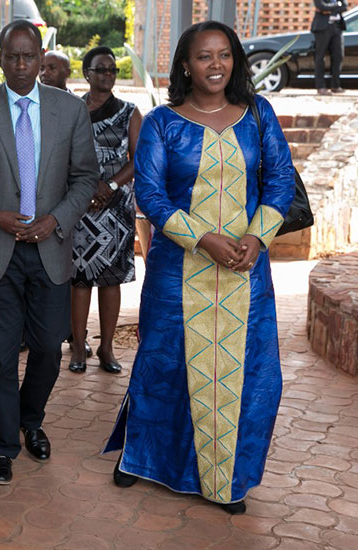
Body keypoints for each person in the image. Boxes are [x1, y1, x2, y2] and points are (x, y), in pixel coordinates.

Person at [103, 21, 296, 515]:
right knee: (163, 363)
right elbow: (149, 192)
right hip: (177, 269)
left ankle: (225, 476)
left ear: (235, 61)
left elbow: (278, 181)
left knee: (245, 374)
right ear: (185, 65)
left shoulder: (257, 114)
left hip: (246, 269)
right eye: (205, 56)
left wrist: (255, 237)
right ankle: (143, 459)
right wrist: (203, 239)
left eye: (225, 55)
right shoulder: (164, 122)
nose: (216, 65)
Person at [0, 20, 98, 485]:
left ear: (41, 56)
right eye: (11, 56)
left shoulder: (69, 110)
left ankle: (31, 420)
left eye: (28, 56)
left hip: (50, 247)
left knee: (51, 347)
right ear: (0, 58)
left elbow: (85, 177)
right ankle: (3, 445)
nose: (20, 64)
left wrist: (56, 220)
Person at [68, 46, 142, 375]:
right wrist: (83, 190)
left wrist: (109, 186)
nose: (107, 75)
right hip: (79, 204)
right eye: (100, 70)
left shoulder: (129, 112)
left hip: (115, 208)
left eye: (112, 70)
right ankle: (78, 345)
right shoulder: (72, 110)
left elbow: (138, 158)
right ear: (87, 74)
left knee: (111, 280)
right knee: (80, 278)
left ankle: (107, 347)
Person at [312, 0, 348, 95]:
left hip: (337, 27)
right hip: (322, 28)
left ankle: (335, 86)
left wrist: (328, 9)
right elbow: (321, 6)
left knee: (338, 56)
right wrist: (336, 6)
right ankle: (321, 87)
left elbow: (344, 6)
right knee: (320, 57)